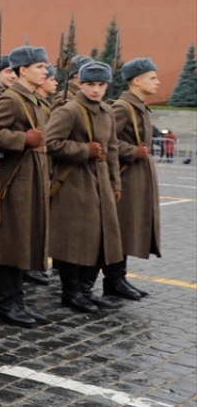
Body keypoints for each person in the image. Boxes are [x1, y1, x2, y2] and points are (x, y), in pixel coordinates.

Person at [0, 46, 51, 328]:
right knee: (8, 246)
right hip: (12, 183)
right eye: (39, 67)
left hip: (29, 180)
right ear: (23, 70)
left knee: (20, 244)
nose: (45, 71)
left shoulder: (33, 99)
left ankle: (17, 301)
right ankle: (4, 305)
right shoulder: (11, 99)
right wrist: (22, 139)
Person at [46, 61, 123, 314]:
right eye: (90, 84)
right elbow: (50, 143)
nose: (96, 90)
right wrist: (83, 150)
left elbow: (112, 150)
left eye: (101, 85)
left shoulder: (107, 111)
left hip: (101, 183)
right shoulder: (69, 110)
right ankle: (71, 292)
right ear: (80, 83)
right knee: (74, 241)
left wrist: (115, 182)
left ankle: (86, 290)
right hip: (74, 184)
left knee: (101, 239)